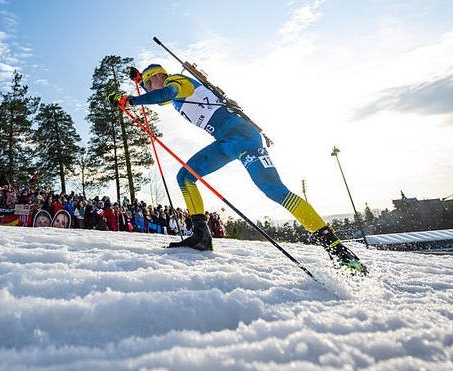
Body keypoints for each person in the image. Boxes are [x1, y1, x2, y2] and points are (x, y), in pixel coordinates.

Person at [108, 63, 366, 273]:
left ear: (160, 77)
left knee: (274, 191)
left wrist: (130, 100)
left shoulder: (178, 82)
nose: (145, 88)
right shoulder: (167, 90)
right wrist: (139, 80)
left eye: (148, 83)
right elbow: (159, 95)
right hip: (225, 142)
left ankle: (336, 248)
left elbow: (164, 94)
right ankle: (201, 235)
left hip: (243, 136)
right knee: (186, 176)